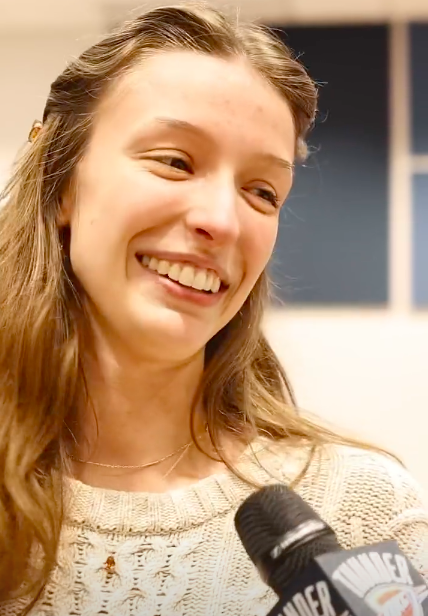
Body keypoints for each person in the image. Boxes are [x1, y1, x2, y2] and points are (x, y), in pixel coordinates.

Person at [0, 3, 427, 615]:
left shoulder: (361, 512)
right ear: (62, 181)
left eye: (262, 192)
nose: (222, 221)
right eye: (175, 161)